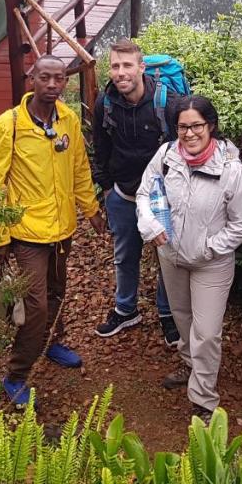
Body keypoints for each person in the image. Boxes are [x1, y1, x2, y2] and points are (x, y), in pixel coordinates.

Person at [0, 55, 106, 407]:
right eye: (45, 78)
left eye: (59, 79)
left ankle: (51, 341)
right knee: (35, 305)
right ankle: (17, 373)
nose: (53, 85)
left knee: (57, 291)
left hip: (62, 227)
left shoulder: (67, 120)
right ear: (32, 79)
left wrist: (91, 210)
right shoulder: (9, 124)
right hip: (27, 232)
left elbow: (79, 168)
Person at [135, 96, 242, 420]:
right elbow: (145, 194)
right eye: (182, 127)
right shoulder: (166, 156)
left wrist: (208, 247)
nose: (189, 133)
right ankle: (191, 367)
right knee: (182, 318)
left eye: (196, 125)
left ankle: (204, 398)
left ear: (210, 126)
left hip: (211, 263)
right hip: (170, 255)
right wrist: (149, 224)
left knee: (208, 330)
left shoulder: (231, 170)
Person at [91, 38, 180, 347]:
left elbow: (188, 145)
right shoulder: (104, 103)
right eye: (115, 66)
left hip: (161, 197)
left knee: (166, 256)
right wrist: (105, 190)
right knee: (124, 255)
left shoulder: (167, 103)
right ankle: (125, 309)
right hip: (123, 193)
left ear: (141, 67)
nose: (121, 72)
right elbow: (99, 149)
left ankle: (168, 315)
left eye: (127, 65)